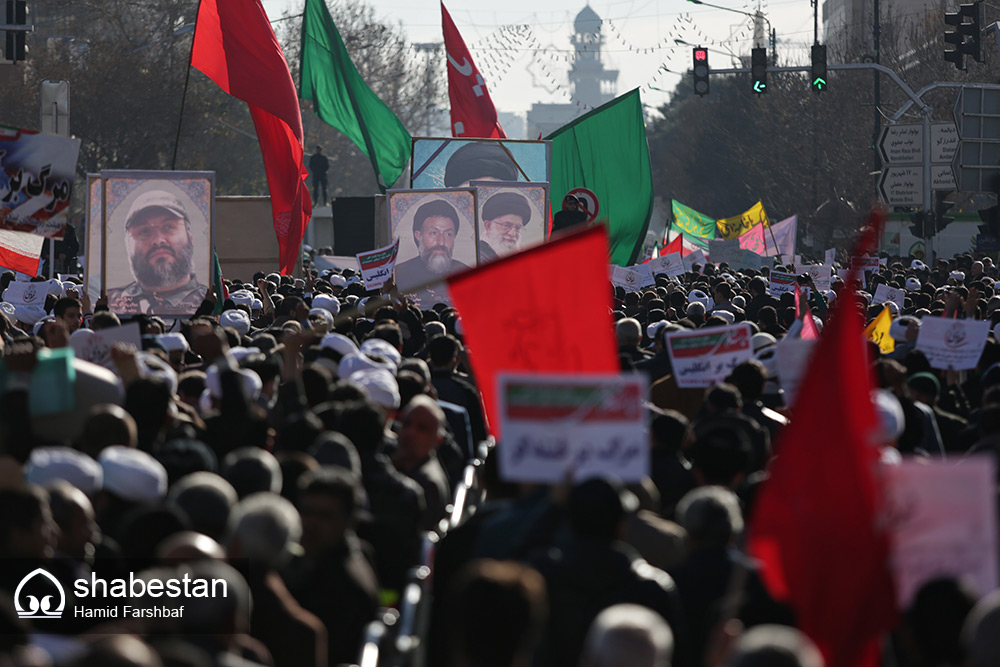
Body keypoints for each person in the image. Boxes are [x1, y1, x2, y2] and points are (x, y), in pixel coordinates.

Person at [106, 189, 209, 315]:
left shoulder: (210, 302)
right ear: (128, 246)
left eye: (168, 227)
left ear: (190, 238)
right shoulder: (109, 303)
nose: (158, 240)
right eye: (144, 231)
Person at [395, 199, 470, 288]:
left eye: (448, 234)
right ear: (418, 236)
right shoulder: (398, 274)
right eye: (433, 233)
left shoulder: (467, 275)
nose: (441, 242)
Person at [478, 191, 532, 262]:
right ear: (488, 226)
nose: (512, 234)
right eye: (506, 225)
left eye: (518, 228)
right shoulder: (477, 257)